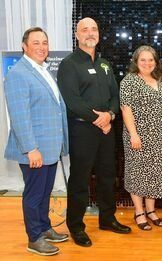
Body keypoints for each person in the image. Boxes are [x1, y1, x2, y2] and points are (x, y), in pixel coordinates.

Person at [57, 17, 131, 247]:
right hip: (82, 129)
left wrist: (110, 114)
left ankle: (107, 219)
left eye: (94, 29)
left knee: (108, 177)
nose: (90, 33)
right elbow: (73, 101)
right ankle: (76, 227)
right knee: (80, 179)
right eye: (85, 30)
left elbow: (115, 95)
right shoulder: (69, 64)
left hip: (106, 128)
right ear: (77, 35)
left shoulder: (104, 64)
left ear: (99, 34)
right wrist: (99, 118)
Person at [4, 27, 69, 256]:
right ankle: (34, 238)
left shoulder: (42, 70)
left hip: (49, 148)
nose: (42, 47)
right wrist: (31, 148)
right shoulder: (19, 74)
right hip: (35, 149)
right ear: (24, 46)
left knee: (44, 192)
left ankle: (44, 228)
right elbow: (20, 116)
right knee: (33, 195)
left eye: (45, 43)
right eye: (36, 43)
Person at [120, 45, 162, 231]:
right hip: (137, 136)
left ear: (155, 62)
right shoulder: (129, 81)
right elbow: (125, 108)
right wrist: (133, 134)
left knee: (154, 174)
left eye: (151, 60)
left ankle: (151, 210)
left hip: (157, 136)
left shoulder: (159, 80)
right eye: (143, 60)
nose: (147, 63)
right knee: (137, 173)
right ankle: (139, 211)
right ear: (136, 61)